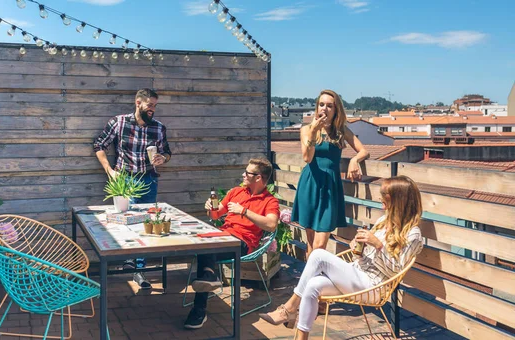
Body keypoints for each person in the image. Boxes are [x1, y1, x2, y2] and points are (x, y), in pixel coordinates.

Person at [259, 176, 424, 339]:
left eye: (384, 195)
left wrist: (378, 245)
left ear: (399, 200)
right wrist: (358, 247)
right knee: (313, 284)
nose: (380, 198)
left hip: (374, 286)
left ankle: (289, 309)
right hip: (357, 273)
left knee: (318, 255)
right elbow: (368, 255)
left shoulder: (413, 234)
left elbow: (395, 271)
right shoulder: (383, 220)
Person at [184, 158, 280, 329]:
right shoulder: (236, 192)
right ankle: (209, 277)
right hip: (223, 236)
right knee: (200, 243)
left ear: (258, 177)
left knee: (208, 250)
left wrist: (244, 211)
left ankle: (199, 309)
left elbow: (272, 225)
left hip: (242, 243)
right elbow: (215, 215)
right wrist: (210, 207)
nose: (243, 174)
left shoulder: (269, 201)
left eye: (247, 172)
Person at [93, 88, 172, 290]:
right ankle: (130, 261)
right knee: (127, 222)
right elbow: (99, 144)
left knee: (147, 222)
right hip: (124, 180)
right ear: (138, 103)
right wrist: (109, 170)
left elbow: (166, 152)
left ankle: (139, 267)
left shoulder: (159, 128)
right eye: (150, 105)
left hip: (149, 179)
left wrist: (163, 158)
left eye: (155, 105)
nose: (153, 109)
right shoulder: (119, 122)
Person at [292, 89, 369, 258]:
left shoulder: (341, 131)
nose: (324, 109)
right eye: (321, 104)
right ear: (316, 107)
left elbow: (364, 151)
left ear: (336, 110)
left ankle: (313, 280)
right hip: (311, 183)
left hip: (330, 187)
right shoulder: (306, 130)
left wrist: (355, 160)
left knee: (320, 245)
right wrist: (313, 132)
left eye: (329, 106)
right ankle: (311, 282)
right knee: (311, 243)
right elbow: (307, 157)